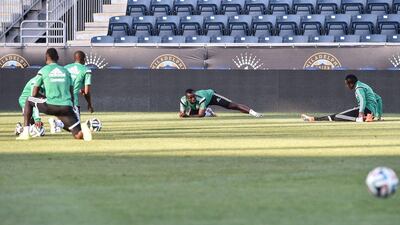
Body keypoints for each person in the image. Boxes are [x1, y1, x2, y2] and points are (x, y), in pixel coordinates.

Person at [16, 48, 92, 141]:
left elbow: (34, 93)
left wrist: (43, 98)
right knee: (78, 135)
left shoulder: (43, 70)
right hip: (66, 106)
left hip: (50, 105)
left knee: (29, 99)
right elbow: (71, 92)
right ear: (58, 58)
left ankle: (25, 132)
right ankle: (82, 129)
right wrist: (71, 107)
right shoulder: (66, 72)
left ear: (46, 58)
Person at [302, 74, 383, 122]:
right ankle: (313, 119)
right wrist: (378, 116)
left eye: (347, 84)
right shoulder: (365, 86)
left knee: (338, 117)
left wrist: (361, 113)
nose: (346, 86)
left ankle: (359, 119)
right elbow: (379, 98)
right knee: (336, 115)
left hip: (365, 111)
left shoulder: (359, 88)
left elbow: (363, 100)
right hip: (370, 113)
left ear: (351, 84)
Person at [48, 51, 93, 133]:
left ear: (74, 59)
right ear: (84, 59)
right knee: (77, 128)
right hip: (72, 100)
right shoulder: (86, 70)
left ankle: (58, 125)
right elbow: (87, 91)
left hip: (60, 98)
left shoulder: (65, 68)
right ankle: (57, 123)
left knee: (73, 125)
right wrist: (89, 104)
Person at [179, 89, 262, 118]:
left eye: (194, 96)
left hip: (211, 96)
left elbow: (200, 115)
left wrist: (187, 116)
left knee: (231, 105)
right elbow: (182, 114)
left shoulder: (200, 98)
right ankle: (208, 112)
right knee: (192, 112)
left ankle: (253, 113)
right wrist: (184, 115)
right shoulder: (183, 100)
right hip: (202, 103)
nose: (193, 98)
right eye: (190, 97)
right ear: (186, 98)